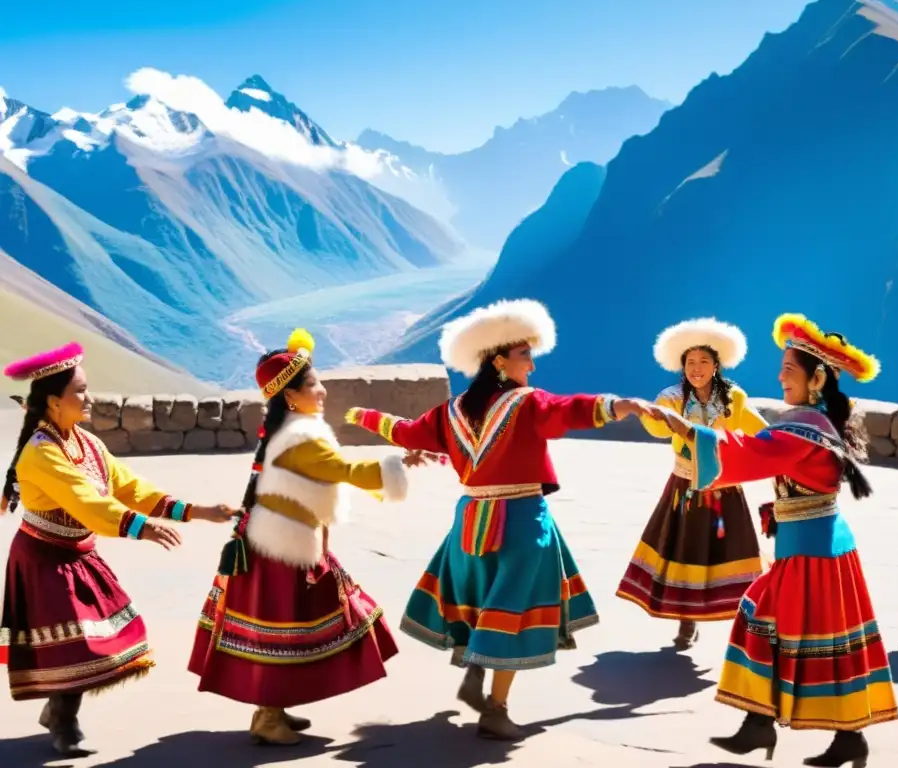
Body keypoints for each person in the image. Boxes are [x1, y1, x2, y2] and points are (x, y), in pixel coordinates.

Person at [345, 298, 667, 741]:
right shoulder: (527, 404)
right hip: (520, 520)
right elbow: (567, 410)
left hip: (470, 521)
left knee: (481, 600)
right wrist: (618, 405)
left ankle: (479, 667)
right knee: (513, 609)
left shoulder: (451, 411)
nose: (532, 367)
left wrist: (364, 416)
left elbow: (406, 431)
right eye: (525, 356)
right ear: (499, 361)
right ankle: (495, 707)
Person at [658, 313, 898, 768]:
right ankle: (799, 729)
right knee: (816, 638)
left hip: (812, 552)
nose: (779, 376)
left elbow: (753, 452)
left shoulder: (804, 428)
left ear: (817, 378)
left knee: (767, 622)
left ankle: (771, 725)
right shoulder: (820, 421)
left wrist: (690, 431)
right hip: (818, 544)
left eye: (789, 369)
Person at [187, 329, 430, 746]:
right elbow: (345, 471)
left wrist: (395, 463)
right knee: (285, 630)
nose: (322, 391)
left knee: (293, 627)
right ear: (290, 397)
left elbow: (335, 470)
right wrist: (396, 464)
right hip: (283, 551)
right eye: (314, 384)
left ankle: (273, 708)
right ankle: (267, 715)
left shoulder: (289, 431)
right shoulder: (300, 438)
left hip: (284, 543)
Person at [0, 342, 236, 757]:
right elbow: (88, 504)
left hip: (77, 554)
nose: (88, 398)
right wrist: (141, 529)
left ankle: (58, 710)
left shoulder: (86, 443)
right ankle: (63, 719)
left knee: (103, 638)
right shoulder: (40, 453)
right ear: (54, 402)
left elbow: (129, 487)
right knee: (80, 643)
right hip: (43, 558)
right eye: (80, 391)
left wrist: (196, 511)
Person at [616, 318, 767, 648]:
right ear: (682, 366)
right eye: (690, 362)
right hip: (684, 487)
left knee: (728, 552)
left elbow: (760, 431)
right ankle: (687, 618)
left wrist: (787, 443)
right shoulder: (670, 398)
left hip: (724, 488)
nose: (696, 368)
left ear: (716, 366)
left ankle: (744, 618)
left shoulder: (734, 398)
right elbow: (657, 430)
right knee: (686, 549)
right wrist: (651, 414)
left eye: (703, 361)